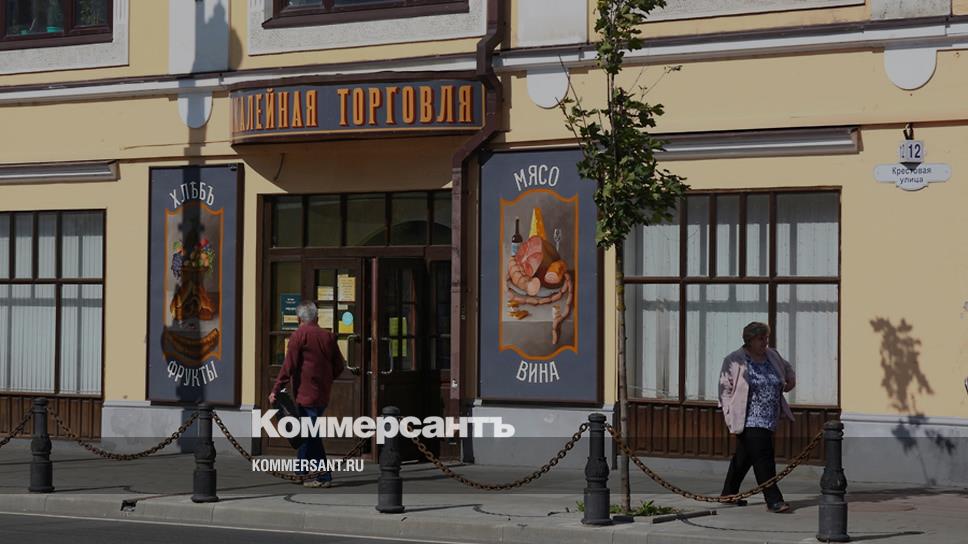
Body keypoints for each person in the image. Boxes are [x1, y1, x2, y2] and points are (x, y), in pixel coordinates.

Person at [718, 321, 796, 513]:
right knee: (764, 457)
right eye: (760, 339)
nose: (764, 342)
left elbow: (787, 368)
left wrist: (790, 380)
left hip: (769, 417)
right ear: (749, 340)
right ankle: (774, 500)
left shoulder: (772, 355)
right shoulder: (734, 360)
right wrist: (728, 414)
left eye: (766, 338)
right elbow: (724, 390)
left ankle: (728, 493)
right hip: (749, 417)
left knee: (744, 457)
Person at [269, 301, 347, 488]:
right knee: (306, 432)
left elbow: (288, 366)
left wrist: (276, 389)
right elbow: (339, 365)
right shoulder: (328, 336)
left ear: (299, 319)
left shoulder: (298, 336)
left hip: (305, 394)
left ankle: (324, 476)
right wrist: (327, 379)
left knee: (310, 435)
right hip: (322, 394)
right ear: (317, 318)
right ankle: (300, 472)